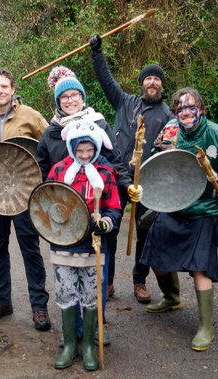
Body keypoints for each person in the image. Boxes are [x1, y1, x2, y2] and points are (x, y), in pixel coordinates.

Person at [141, 87, 218, 351]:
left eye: (191, 106)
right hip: (172, 206)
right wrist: (143, 186)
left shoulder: (216, 133)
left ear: (201, 108)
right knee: (157, 257)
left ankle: (206, 327)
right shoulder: (170, 131)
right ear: (174, 111)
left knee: (200, 267)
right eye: (180, 108)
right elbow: (155, 162)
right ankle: (171, 297)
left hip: (203, 209)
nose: (185, 112)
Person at [36, 66, 127, 345]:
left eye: (75, 95)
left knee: (95, 278)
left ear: (82, 97)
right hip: (64, 219)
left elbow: (117, 162)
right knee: (67, 278)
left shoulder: (98, 124)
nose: (70, 100)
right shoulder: (51, 132)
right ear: (58, 102)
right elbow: (40, 171)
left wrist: (126, 186)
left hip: (97, 210)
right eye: (64, 97)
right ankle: (71, 332)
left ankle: (94, 329)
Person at [89, 33, 173, 303]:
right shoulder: (124, 102)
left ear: (161, 86)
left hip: (148, 182)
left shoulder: (169, 115)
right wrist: (97, 52)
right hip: (117, 176)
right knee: (110, 229)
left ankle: (139, 282)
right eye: (148, 78)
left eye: (157, 79)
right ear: (141, 84)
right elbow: (105, 80)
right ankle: (109, 280)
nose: (153, 82)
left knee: (145, 233)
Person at [0, 68, 51, 331]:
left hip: (25, 194)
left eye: (4, 86)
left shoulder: (29, 115)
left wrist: (46, 182)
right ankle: (2, 301)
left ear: (13, 89)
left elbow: (49, 144)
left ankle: (39, 307)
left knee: (30, 250)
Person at [46, 119, 122, 371]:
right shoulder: (58, 170)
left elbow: (114, 207)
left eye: (90, 150)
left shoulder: (105, 172)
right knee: (67, 294)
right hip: (64, 244)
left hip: (93, 245)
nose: (85, 155)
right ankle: (70, 345)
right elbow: (46, 204)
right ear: (71, 147)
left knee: (91, 295)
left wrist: (107, 222)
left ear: (97, 147)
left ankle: (88, 346)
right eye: (80, 151)